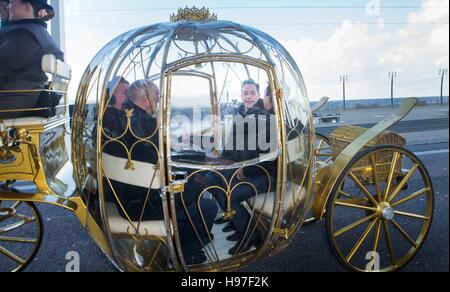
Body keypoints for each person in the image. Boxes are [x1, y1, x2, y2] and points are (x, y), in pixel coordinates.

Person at [104, 79, 217, 265]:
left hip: (133, 193)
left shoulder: (129, 118)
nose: (158, 101)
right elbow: (160, 163)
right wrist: (194, 169)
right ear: (147, 98)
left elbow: (156, 161)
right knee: (207, 203)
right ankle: (187, 252)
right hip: (143, 202)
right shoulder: (143, 125)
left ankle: (186, 238)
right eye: (157, 96)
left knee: (195, 183)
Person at [205, 79, 274, 255]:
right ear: (241, 95)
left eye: (252, 93)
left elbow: (267, 157)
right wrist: (219, 162)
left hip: (263, 174)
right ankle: (240, 222)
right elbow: (231, 146)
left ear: (258, 96)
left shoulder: (266, 120)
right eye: (245, 93)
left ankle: (249, 234)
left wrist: (243, 168)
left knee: (230, 196)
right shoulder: (239, 115)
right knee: (210, 179)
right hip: (243, 167)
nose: (249, 96)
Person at [0, 0, 63, 119]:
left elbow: (3, 67)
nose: (8, 6)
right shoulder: (37, 31)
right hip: (24, 96)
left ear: (27, 8)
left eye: (12, 2)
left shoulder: (24, 34)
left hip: (10, 99)